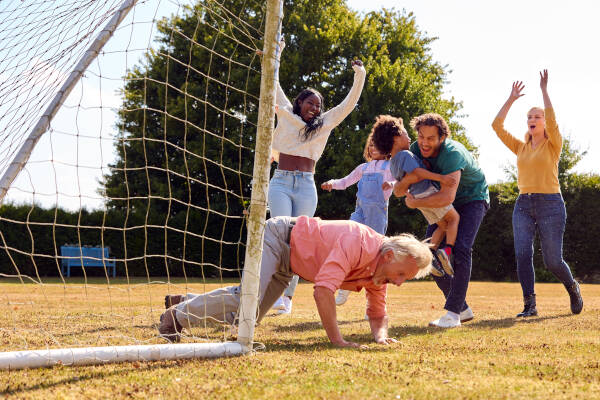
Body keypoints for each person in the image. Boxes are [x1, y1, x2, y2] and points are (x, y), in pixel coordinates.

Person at [158, 216, 433, 347]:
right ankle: (175, 317)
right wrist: (338, 340)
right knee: (248, 297)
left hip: (291, 264)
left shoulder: (380, 273)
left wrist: (380, 336)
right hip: (278, 237)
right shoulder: (357, 241)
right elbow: (323, 291)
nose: (399, 283)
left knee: (244, 317)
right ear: (387, 256)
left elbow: (377, 312)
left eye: (404, 279)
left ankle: (185, 301)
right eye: (401, 275)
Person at [269, 39, 366, 315]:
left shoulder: (323, 125)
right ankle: (272, 290)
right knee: (280, 235)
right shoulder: (287, 114)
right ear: (299, 103)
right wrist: (278, 50)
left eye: (318, 105)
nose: (315, 108)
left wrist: (360, 75)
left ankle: (286, 299)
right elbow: (273, 83)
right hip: (281, 182)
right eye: (310, 103)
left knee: (300, 240)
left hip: (306, 187)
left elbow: (348, 105)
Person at [491, 70, 583, 317]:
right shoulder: (520, 147)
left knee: (552, 261)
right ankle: (529, 305)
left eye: (537, 116)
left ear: (544, 122)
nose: (533, 119)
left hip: (551, 204)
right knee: (522, 254)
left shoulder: (554, 145)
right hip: (523, 204)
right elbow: (496, 126)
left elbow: (553, 120)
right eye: (529, 116)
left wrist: (544, 91)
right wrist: (511, 99)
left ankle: (572, 287)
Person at [403, 113, 489, 328]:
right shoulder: (415, 149)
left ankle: (452, 315)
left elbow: (447, 197)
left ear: (442, 138)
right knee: (428, 255)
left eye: (430, 138)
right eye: (421, 136)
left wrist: (414, 203)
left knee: (461, 250)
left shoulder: (452, 154)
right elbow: (409, 180)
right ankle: (462, 308)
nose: (424, 142)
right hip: (444, 205)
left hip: (472, 199)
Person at [370, 115, 459, 276]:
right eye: (405, 133)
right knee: (454, 219)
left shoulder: (393, 163)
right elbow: (417, 174)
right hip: (427, 192)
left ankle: (429, 257)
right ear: (396, 138)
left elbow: (405, 178)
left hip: (417, 198)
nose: (409, 137)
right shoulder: (405, 155)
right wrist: (441, 178)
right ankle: (447, 251)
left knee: (443, 226)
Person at [320, 132, 395, 306]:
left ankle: (374, 301)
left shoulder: (390, 167)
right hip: (359, 213)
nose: (373, 147)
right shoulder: (363, 168)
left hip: (377, 215)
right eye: (371, 144)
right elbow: (345, 181)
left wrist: (391, 184)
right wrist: (332, 183)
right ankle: (345, 286)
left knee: (376, 257)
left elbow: (401, 182)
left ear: (387, 148)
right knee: (349, 246)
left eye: (377, 144)